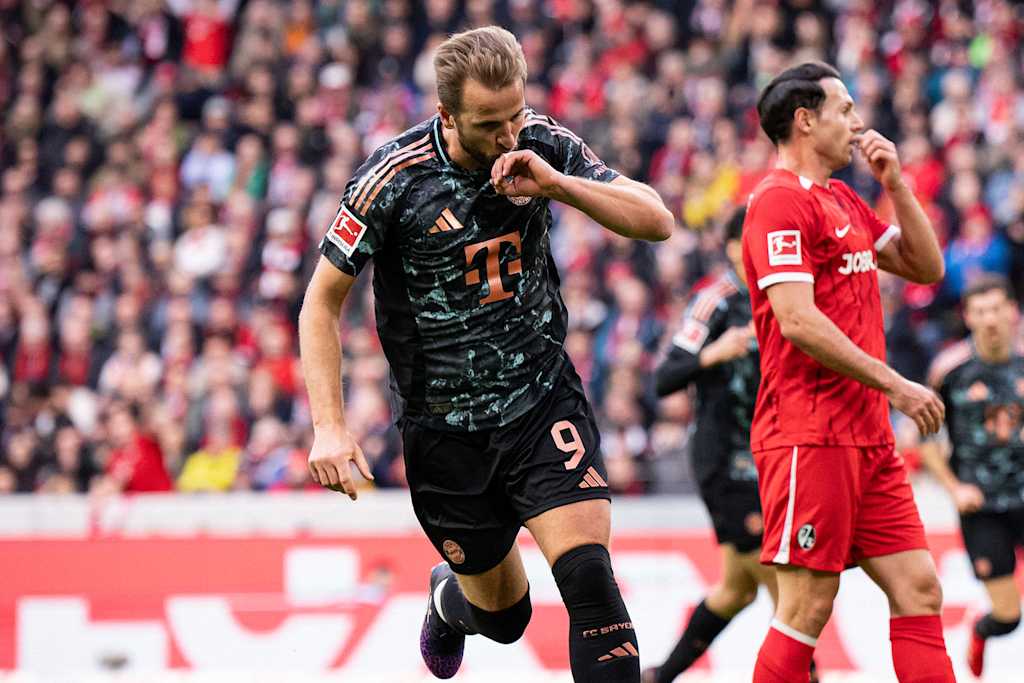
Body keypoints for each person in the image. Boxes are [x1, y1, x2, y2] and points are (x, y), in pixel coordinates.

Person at [298, 26, 673, 682]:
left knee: (589, 577)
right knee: (506, 618)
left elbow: (655, 218)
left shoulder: (540, 143)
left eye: (514, 115)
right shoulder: (393, 179)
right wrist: (329, 423)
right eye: (488, 124)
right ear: (446, 116)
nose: (507, 136)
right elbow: (320, 302)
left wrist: (557, 185)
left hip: (539, 395)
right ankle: (452, 596)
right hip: (443, 428)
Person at [741, 62, 955, 683]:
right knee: (806, 606)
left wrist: (896, 183)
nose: (858, 124)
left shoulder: (843, 198)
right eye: (845, 110)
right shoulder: (778, 202)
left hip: (867, 437)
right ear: (805, 120)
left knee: (919, 589)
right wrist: (896, 384)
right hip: (810, 432)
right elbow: (797, 321)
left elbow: (925, 266)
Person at [644, 209, 817, 682]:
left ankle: (660, 677)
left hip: (774, 458)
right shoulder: (716, 302)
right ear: (730, 248)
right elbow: (663, 378)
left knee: (735, 589)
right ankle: (808, 673)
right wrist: (713, 354)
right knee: (785, 579)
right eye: (750, 244)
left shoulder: (790, 296)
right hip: (725, 460)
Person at [921, 275, 1023, 678]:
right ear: (968, 317)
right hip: (982, 507)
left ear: (1012, 311)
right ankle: (981, 631)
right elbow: (925, 442)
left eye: (998, 309)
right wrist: (955, 487)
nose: (991, 319)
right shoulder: (950, 371)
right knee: (1008, 616)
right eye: (981, 312)